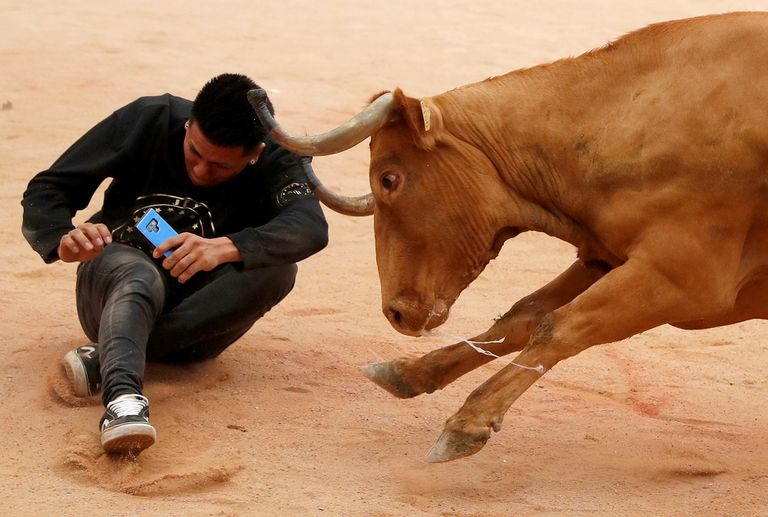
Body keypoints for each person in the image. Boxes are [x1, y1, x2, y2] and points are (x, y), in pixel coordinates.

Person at [21, 73, 329, 456]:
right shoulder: (149, 117)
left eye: (219, 167)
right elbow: (48, 189)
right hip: (113, 284)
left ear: (255, 153)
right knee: (137, 274)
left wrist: (228, 247)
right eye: (194, 152)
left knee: (279, 269)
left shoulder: (281, 157)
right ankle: (123, 402)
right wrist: (61, 239)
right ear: (188, 124)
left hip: (197, 330)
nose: (201, 171)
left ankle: (107, 357)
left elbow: (310, 227)